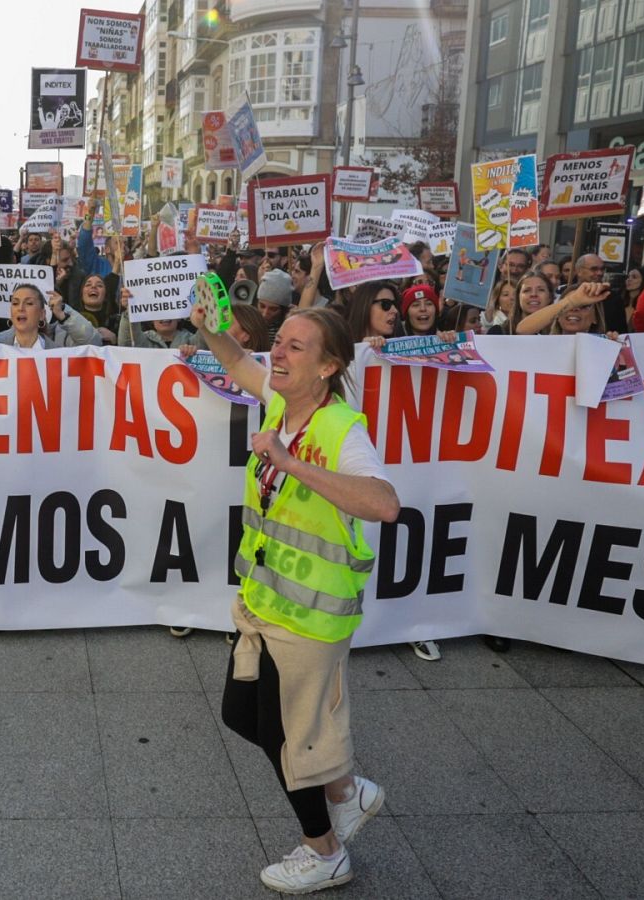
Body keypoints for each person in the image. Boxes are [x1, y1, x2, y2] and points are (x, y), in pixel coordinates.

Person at [188, 301, 399, 895]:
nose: (276, 353)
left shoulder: (340, 429)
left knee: (286, 740)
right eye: (278, 342)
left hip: (310, 617)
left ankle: (324, 851)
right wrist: (206, 325)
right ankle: (344, 790)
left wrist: (287, 461)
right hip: (265, 604)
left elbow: (384, 504)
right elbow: (234, 358)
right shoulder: (282, 399)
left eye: (293, 347)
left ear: (328, 366)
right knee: (240, 714)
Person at [0, 283, 97, 348]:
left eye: (29, 303)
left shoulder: (57, 352)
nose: (20, 308)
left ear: (42, 314)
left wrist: (62, 312)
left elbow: (93, 343)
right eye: (15, 303)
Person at [345, 281, 400, 351]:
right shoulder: (340, 349)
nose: (395, 310)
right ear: (364, 306)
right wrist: (361, 349)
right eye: (386, 304)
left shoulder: (402, 349)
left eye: (395, 304)